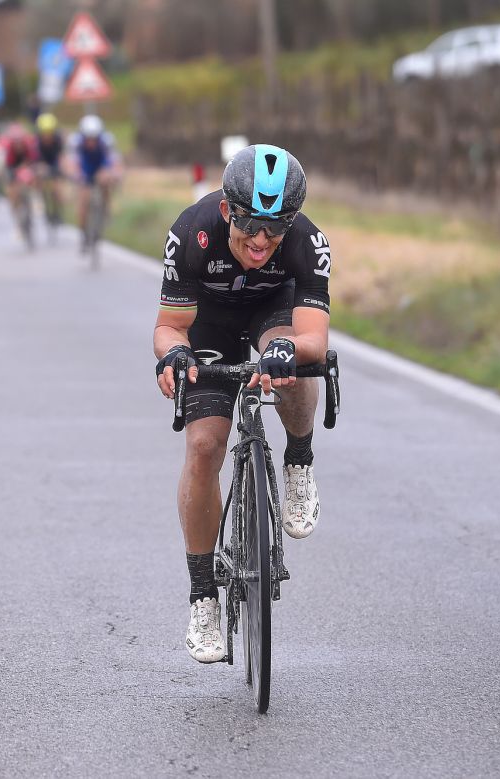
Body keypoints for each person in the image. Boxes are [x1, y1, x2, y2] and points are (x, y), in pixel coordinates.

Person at [153, 144, 330, 664]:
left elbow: (314, 338)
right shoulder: (191, 233)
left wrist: (287, 349)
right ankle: (203, 595)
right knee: (205, 446)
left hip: (274, 312)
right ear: (227, 210)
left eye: (275, 228)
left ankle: (299, 462)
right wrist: (175, 353)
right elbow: (169, 327)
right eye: (250, 223)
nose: (261, 240)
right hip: (209, 323)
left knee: (290, 363)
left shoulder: (308, 242)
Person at [67, 114, 122, 251]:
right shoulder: (76, 142)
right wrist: (75, 175)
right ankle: (83, 232)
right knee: (83, 200)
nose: (91, 141)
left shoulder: (106, 141)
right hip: (84, 170)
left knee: (106, 181)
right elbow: (72, 162)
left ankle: (106, 209)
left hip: (100, 167)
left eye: (94, 138)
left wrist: (115, 174)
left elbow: (114, 160)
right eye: (88, 138)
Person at [0, 121, 39, 214]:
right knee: (12, 186)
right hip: (12, 166)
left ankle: (34, 199)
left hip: (25, 165)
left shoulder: (28, 145)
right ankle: (14, 205)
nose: (18, 145)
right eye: (16, 142)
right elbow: (8, 165)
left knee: (34, 177)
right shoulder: (9, 149)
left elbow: (32, 160)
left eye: (20, 141)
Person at [34, 113, 65, 224]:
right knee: (39, 177)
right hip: (41, 162)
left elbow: (61, 156)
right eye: (44, 132)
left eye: (50, 132)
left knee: (57, 188)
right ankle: (39, 199)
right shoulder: (36, 141)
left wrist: (61, 167)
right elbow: (35, 157)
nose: (47, 135)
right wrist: (39, 167)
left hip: (53, 163)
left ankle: (57, 212)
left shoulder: (58, 140)